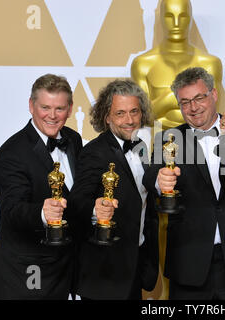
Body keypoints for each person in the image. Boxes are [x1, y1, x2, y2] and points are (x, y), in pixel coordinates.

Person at [143, 67, 225, 299]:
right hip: (189, 261)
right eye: (185, 102)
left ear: (214, 95)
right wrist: (159, 181)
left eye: (199, 98)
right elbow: (151, 175)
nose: (193, 107)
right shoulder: (168, 138)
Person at [0, 74, 82, 299]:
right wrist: (42, 212)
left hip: (63, 267)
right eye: (45, 107)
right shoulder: (12, 153)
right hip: (25, 271)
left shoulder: (73, 140)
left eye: (60, 108)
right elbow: (12, 210)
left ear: (70, 109)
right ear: (31, 106)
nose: (52, 116)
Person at [68, 79, 159, 299]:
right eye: (120, 113)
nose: (129, 120)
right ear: (106, 117)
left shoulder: (141, 147)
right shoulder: (94, 152)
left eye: (134, 111)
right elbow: (76, 202)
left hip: (136, 264)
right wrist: (94, 209)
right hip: (105, 274)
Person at [131, 0, 223, 129]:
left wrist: (164, 103)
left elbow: (213, 114)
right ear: (161, 18)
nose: (176, 23)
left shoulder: (210, 64)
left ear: (190, 18)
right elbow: (141, 117)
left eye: (183, 16)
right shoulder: (143, 64)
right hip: (158, 142)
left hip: (201, 141)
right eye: (169, 16)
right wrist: (169, 99)